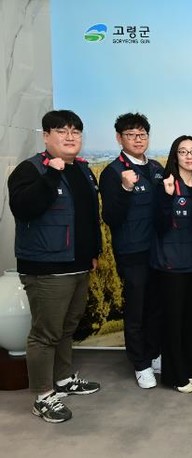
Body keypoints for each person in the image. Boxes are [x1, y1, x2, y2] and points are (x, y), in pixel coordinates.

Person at [8, 110, 101, 423]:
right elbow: (24, 208)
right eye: (62, 131)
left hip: (78, 265)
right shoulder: (30, 169)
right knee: (45, 333)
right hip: (46, 267)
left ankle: (63, 380)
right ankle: (43, 396)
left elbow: (89, 218)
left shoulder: (83, 171)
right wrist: (50, 175)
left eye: (76, 131)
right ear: (46, 136)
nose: (70, 137)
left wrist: (94, 252)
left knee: (67, 327)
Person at [100, 113, 164, 389]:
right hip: (132, 252)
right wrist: (126, 189)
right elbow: (111, 217)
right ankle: (140, 364)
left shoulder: (156, 168)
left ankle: (154, 353)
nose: (137, 140)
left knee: (156, 306)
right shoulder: (113, 172)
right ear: (119, 138)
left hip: (158, 251)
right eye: (131, 135)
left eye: (142, 134)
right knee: (136, 310)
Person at [151, 135, 192, 393]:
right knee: (173, 322)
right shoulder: (166, 184)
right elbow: (159, 225)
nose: (189, 156)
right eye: (183, 152)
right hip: (171, 264)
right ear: (175, 157)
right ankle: (174, 375)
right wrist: (166, 197)